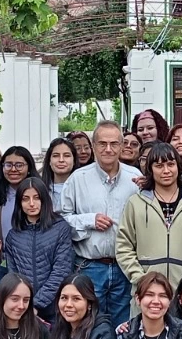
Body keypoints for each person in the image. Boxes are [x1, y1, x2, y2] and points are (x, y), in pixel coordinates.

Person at [58, 121, 143, 327]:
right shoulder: (77, 179)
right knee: (87, 327)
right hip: (89, 266)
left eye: (114, 143)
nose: (108, 149)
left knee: (123, 328)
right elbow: (61, 222)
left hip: (125, 267)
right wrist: (89, 220)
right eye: (102, 143)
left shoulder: (136, 179)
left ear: (122, 146)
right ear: (93, 146)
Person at [115, 142, 182, 314]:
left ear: (179, 167)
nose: (166, 171)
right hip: (146, 291)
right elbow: (124, 245)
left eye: (170, 164)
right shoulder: (136, 203)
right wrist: (140, 278)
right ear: (150, 170)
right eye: (159, 166)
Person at [4, 177, 75, 320]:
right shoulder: (13, 236)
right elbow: (13, 275)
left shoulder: (60, 228)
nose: (31, 203)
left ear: (44, 199)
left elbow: (61, 271)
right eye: (25, 199)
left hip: (57, 308)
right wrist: (24, 304)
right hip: (24, 309)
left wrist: (36, 304)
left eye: (36, 198)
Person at [0, 145, 37, 237]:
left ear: (29, 167)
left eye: (19, 165)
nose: (13, 169)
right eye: (8, 165)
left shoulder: (41, 195)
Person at [42, 137, 78, 206]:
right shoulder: (39, 190)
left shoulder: (82, 189)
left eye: (66, 156)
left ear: (74, 161)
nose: (61, 160)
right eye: (56, 156)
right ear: (49, 161)